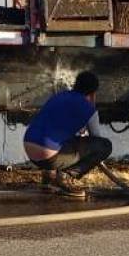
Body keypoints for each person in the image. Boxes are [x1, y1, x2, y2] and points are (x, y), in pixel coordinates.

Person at [23, 71, 112, 199]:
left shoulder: (59, 96)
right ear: (93, 93)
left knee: (58, 138)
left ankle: (48, 178)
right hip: (48, 157)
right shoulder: (89, 109)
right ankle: (67, 177)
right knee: (105, 146)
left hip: (28, 148)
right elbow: (96, 139)